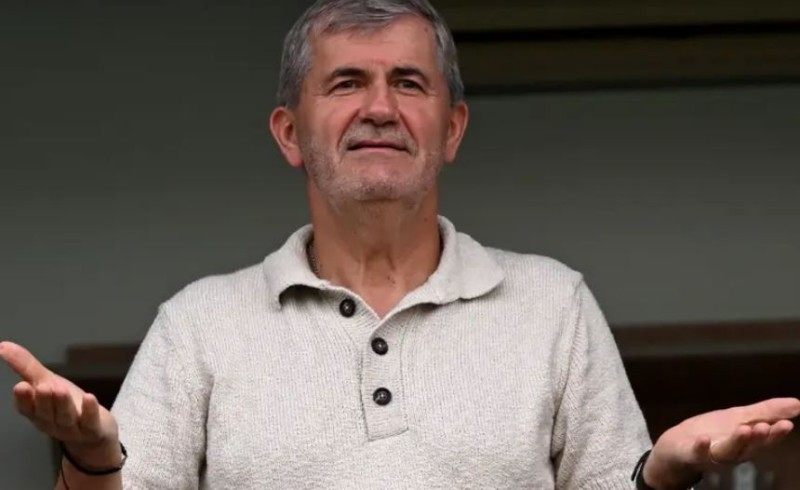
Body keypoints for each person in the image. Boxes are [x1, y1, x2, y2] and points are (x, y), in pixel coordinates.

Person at [2, 0, 799, 488]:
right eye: (347, 82)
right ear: (290, 134)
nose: (380, 108)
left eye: (408, 83)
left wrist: (662, 477)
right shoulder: (198, 324)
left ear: (451, 129)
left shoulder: (554, 303)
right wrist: (93, 460)